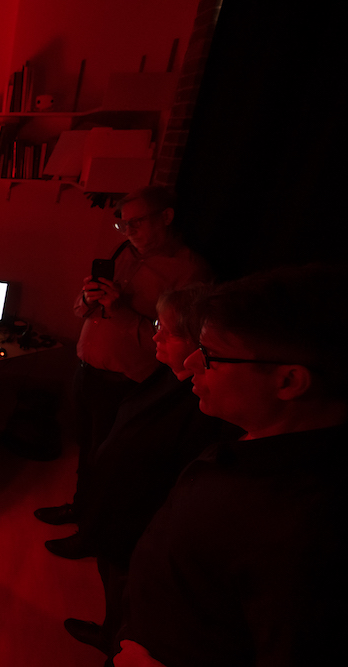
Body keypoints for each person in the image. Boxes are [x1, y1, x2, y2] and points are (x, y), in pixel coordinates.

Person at [114, 264, 348, 666]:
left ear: (288, 382)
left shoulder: (306, 530)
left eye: (210, 355)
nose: (190, 364)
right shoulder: (250, 437)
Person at [61, 286, 239, 658]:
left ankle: (117, 642)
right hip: (118, 516)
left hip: (139, 525)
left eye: (168, 331)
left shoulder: (201, 408)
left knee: (128, 593)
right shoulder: (165, 378)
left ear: (199, 346)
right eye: (157, 324)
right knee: (112, 580)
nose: (155, 335)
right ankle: (110, 632)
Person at [36, 186, 210, 560]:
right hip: (88, 371)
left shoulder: (189, 271)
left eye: (136, 222)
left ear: (166, 217)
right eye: (123, 223)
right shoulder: (122, 255)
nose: (128, 229)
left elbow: (179, 342)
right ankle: (79, 509)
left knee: (110, 463)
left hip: (127, 382)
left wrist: (122, 311)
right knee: (86, 450)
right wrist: (87, 298)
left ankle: (93, 535)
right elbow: (80, 310)